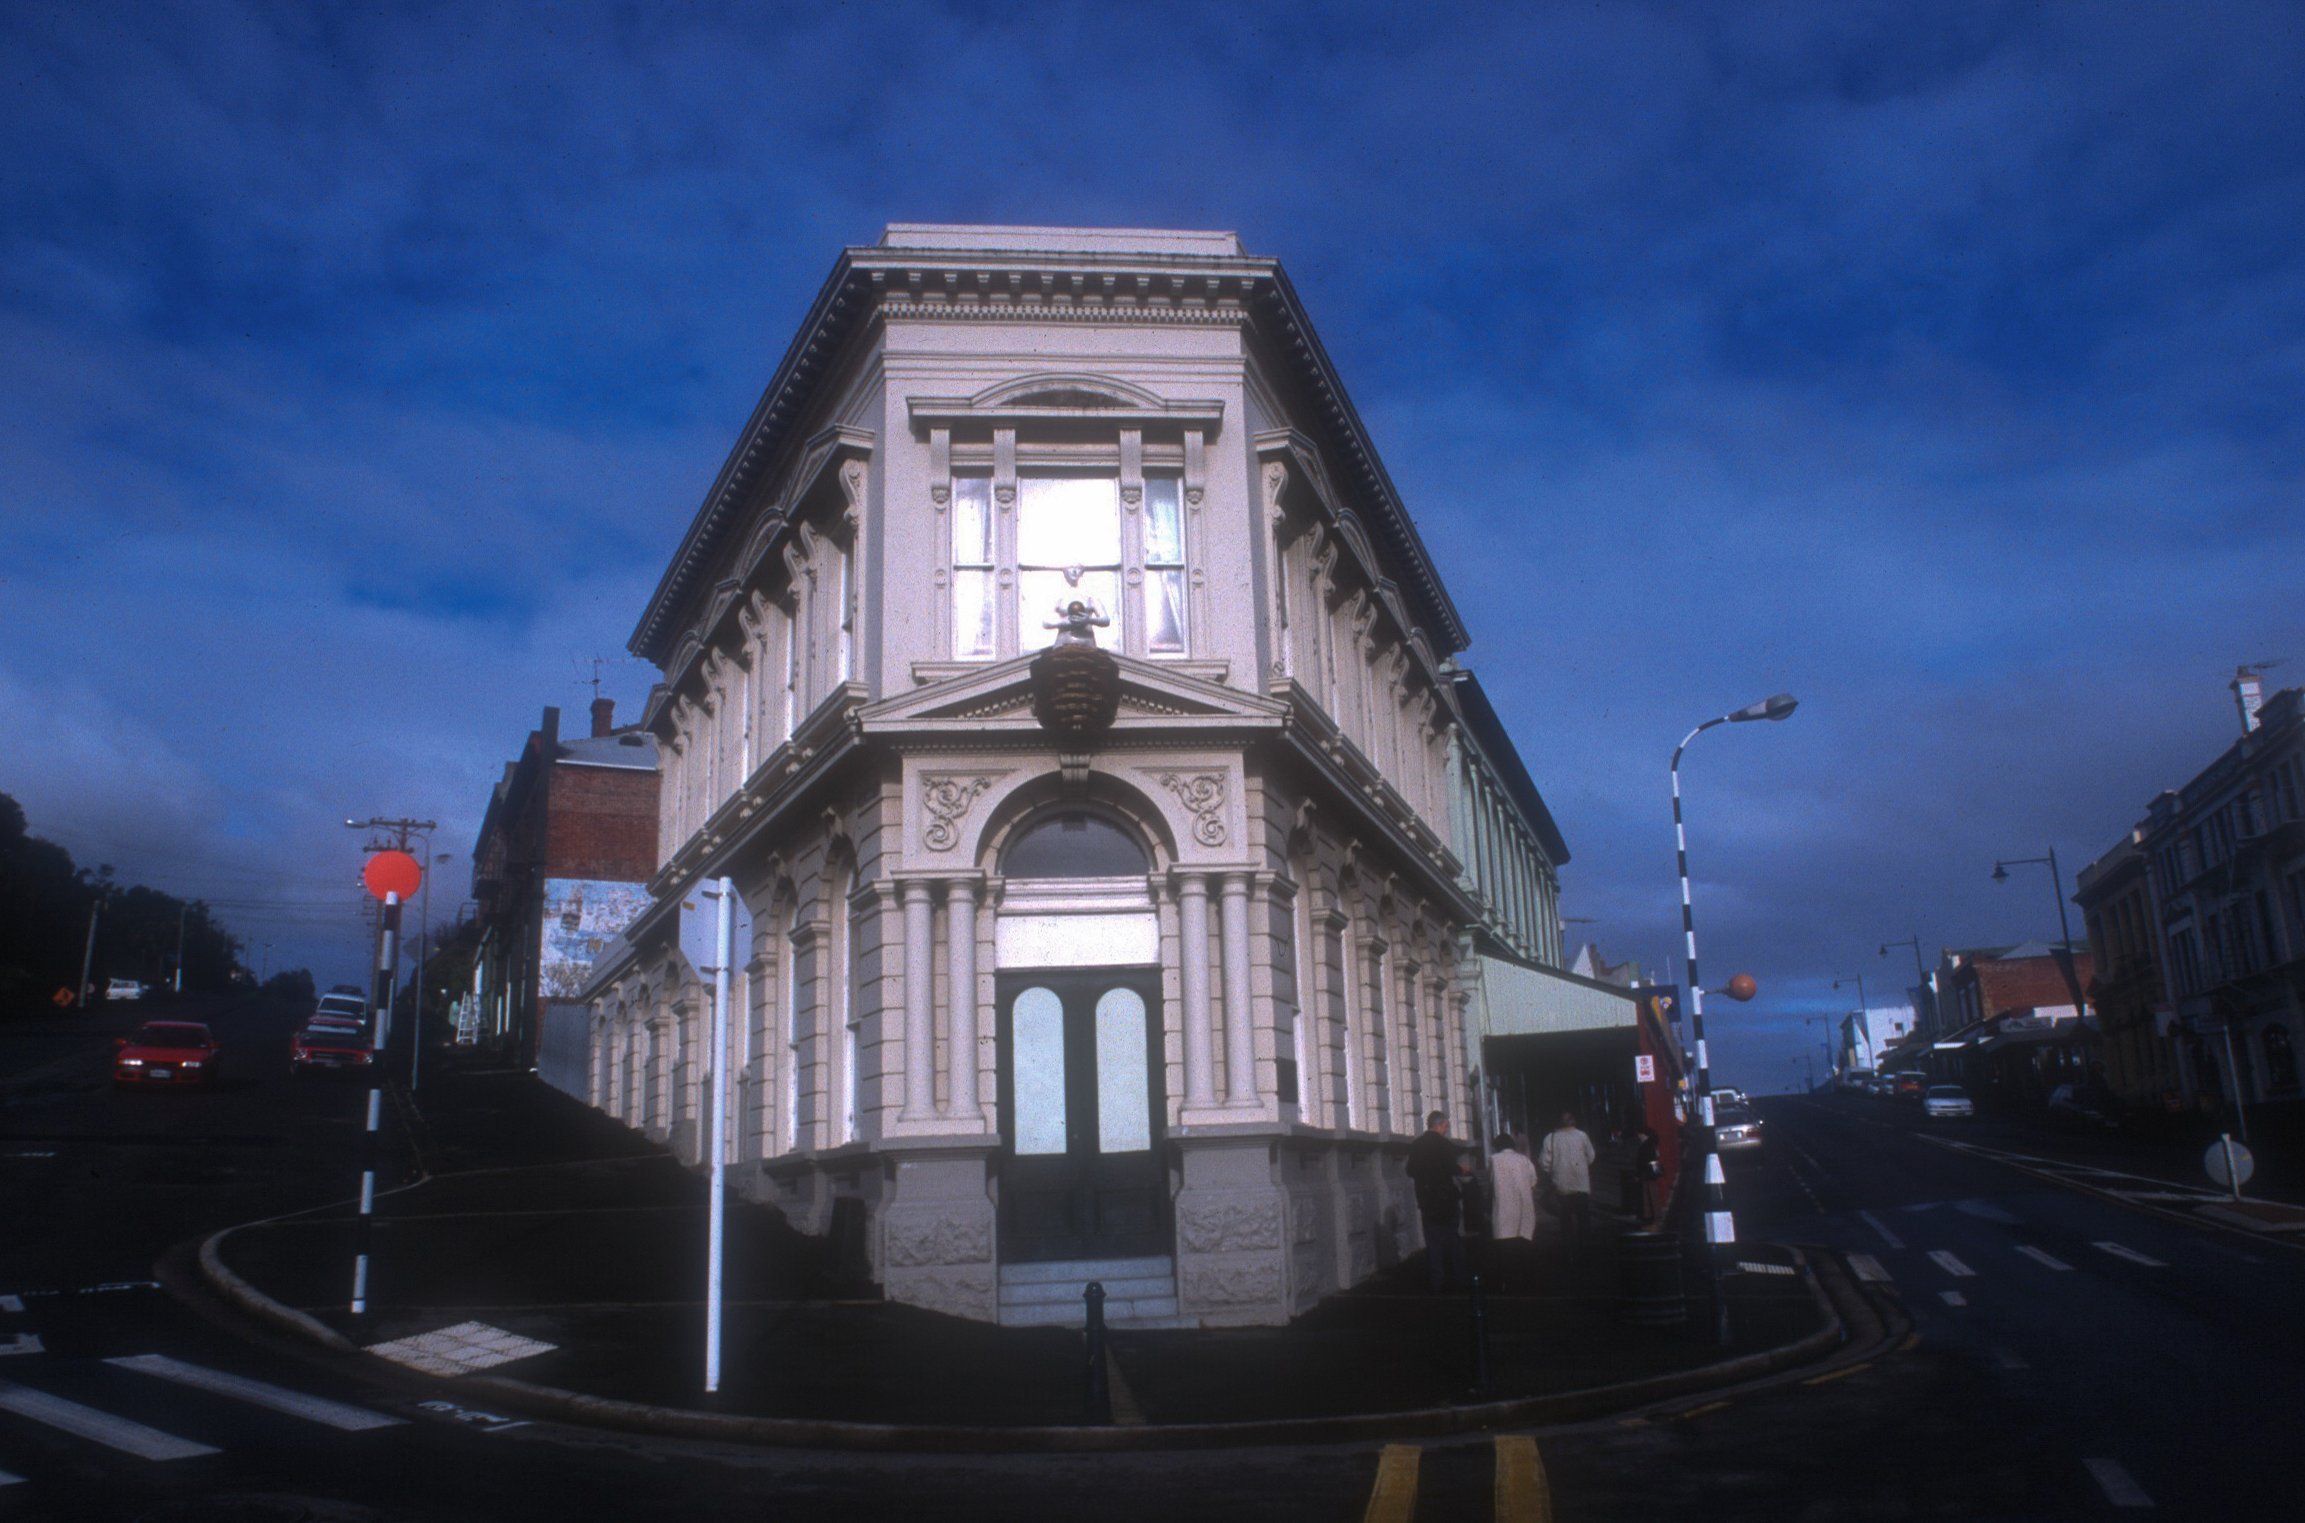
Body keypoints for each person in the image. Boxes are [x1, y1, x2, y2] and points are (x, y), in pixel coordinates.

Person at [1404, 1110, 1471, 1291]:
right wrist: (1462, 1170)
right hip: (1446, 1198)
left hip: (1427, 1199)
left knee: (1433, 1240)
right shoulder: (1445, 1145)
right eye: (1446, 1127)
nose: (1446, 1130)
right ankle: (1460, 1277)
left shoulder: (1416, 1145)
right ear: (1440, 1125)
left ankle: (1437, 1279)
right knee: (1452, 1237)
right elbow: (1451, 1168)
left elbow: (1409, 1170)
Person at [1538, 1110, 1597, 1241]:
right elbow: (1591, 1157)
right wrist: (1581, 1165)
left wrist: (1552, 1170)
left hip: (1561, 1184)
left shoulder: (1551, 1138)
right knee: (1583, 1215)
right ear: (1574, 1121)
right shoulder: (1582, 1136)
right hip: (1581, 1183)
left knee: (1565, 1216)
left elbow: (1544, 1162)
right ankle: (1585, 1243)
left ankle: (1568, 1245)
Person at [1626, 1123, 1661, 1224]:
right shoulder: (1653, 1144)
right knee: (1652, 1194)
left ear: (1643, 1135)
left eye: (1639, 1135)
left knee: (1646, 1195)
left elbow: (1640, 1162)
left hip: (1645, 1173)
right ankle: (1655, 1214)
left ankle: (1648, 1216)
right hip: (1651, 1172)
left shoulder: (1644, 1146)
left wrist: (1637, 1174)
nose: (1638, 1137)